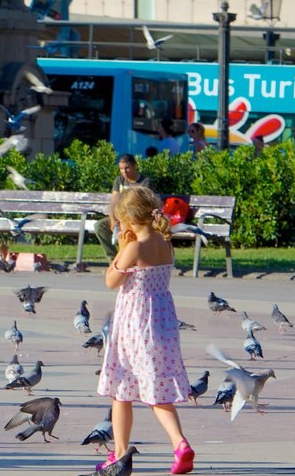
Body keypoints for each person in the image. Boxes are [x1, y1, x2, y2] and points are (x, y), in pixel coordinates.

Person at [99, 186, 193, 475]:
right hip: (162, 322)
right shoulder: (165, 243)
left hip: (134, 326)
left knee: (122, 391)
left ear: (128, 218)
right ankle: (180, 445)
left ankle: (117, 453)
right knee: (157, 391)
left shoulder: (134, 247)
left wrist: (121, 247)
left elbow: (111, 280)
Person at [95, 154, 152, 260]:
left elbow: (142, 205)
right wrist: (112, 221)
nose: (124, 171)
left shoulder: (145, 182)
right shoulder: (119, 181)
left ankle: (131, 259)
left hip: (136, 219)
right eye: (121, 168)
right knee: (100, 226)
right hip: (120, 218)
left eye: (127, 168)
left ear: (135, 166)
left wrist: (126, 221)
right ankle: (113, 260)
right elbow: (114, 202)